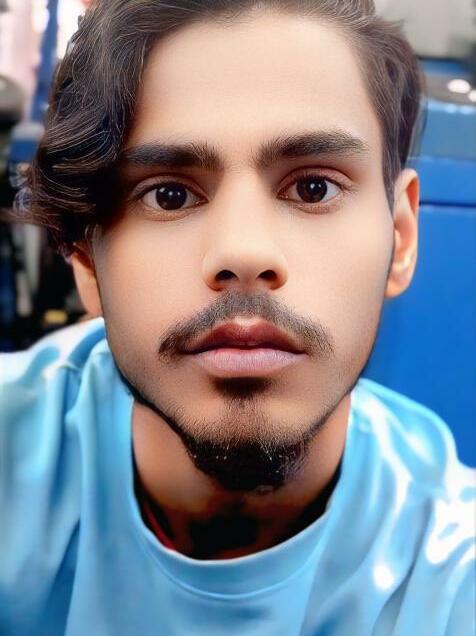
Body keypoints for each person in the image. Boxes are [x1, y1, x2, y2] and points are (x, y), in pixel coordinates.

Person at [1, 1, 474, 634]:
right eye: (169, 194)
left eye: (313, 187)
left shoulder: (452, 571)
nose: (244, 252)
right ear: (86, 260)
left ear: (401, 235)